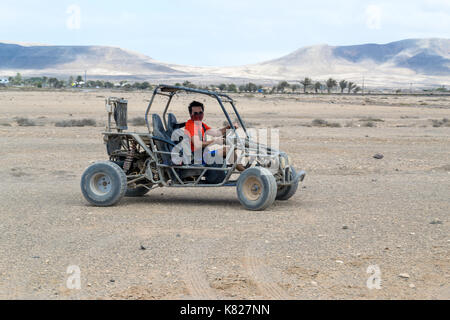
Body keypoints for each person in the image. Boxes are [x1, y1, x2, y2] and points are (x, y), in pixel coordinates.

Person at [184, 101, 245, 171]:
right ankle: (245, 173)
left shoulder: (201, 124)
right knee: (227, 150)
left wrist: (229, 127)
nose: (198, 115)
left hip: (203, 155)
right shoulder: (191, 126)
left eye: (200, 113)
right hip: (197, 158)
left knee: (232, 148)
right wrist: (215, 141)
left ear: (203, 113)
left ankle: (242, 169)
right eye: (195, 113)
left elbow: (217, 133)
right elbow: (197, 144)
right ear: (190, 114)